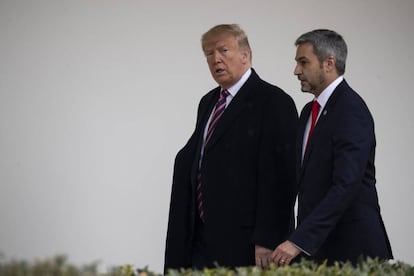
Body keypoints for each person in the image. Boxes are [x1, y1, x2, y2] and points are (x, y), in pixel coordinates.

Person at [164, 24, 298, 271]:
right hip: (201, 239)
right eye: (209, 53)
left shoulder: (274, 102)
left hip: (247, 244)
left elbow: (281, 179)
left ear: (245, 55)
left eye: (224, 50)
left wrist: (267, 239)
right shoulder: (208, 102)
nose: (216, 59)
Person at [271, 29, 393, 266]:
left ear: (329, 63)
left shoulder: (351, 110)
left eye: (303, 62)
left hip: (353, 251)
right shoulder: (308, 112)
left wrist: (299, 241)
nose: (296, 71)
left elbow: (345, 185)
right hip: (318, 250)